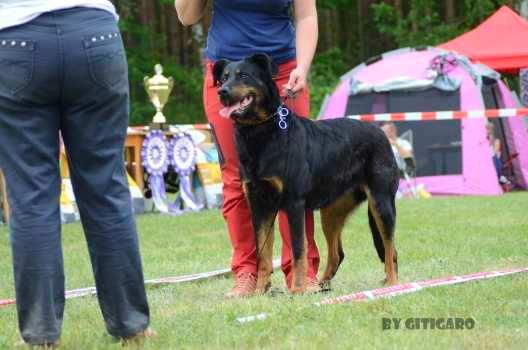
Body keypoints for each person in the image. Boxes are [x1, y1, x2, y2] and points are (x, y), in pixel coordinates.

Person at [0, 1, 152, 347]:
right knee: (106, 189)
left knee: (31, 197)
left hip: (14, 38)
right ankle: (131, 325)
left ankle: (41, 336)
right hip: (93, 31)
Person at [175, 0, 320, 298]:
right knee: (236, 177)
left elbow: (306, 15)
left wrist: (303, 68)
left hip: (282, 73)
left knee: (295, 177)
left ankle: (302, 272)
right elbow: (187, 17)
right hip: (226, 77)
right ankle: (247, 273)